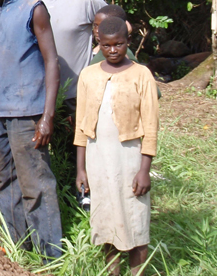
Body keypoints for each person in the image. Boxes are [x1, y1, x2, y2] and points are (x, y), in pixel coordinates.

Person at [0, 0, 63, 259]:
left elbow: (52, 62)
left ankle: (50, 256)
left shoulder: (32, 9)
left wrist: (47, 117)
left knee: (35, 184)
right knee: (5, 183)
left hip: (27, 114)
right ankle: (20, 250)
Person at [74, 16, 158, 275]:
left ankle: (138, 272)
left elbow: (151, 126)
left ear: (128, 43)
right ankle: (113, 271)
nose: (113, 50)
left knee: (135, 215)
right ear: (99, 43)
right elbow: (81, 126)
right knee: (105, 216)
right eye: (107, 45)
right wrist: (81, 169)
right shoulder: (88, 75)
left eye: (119, 45)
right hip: (97, 157)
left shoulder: (141, 74)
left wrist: (144, 169)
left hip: (129, 155)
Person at [30, 0, 107, 117]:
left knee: (79, 144)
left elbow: (119, 25)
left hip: (78, 95)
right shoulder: (29, 3)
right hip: (39, 95)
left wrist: (98, 53)